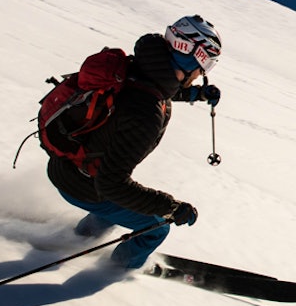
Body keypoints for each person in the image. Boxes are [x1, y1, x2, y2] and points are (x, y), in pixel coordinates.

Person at [46, 15, 223, 269]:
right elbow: (112, 185)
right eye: (207, 64)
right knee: (156, 227)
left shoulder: (141, 66)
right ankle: (117, 270)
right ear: (192, 55)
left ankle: (80, 238)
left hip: (68, 167)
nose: (202, 73)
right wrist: (172, 208)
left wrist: (197, 94)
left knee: (117, 205)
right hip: (84, 185)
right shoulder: (145, 116)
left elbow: (154, 89)